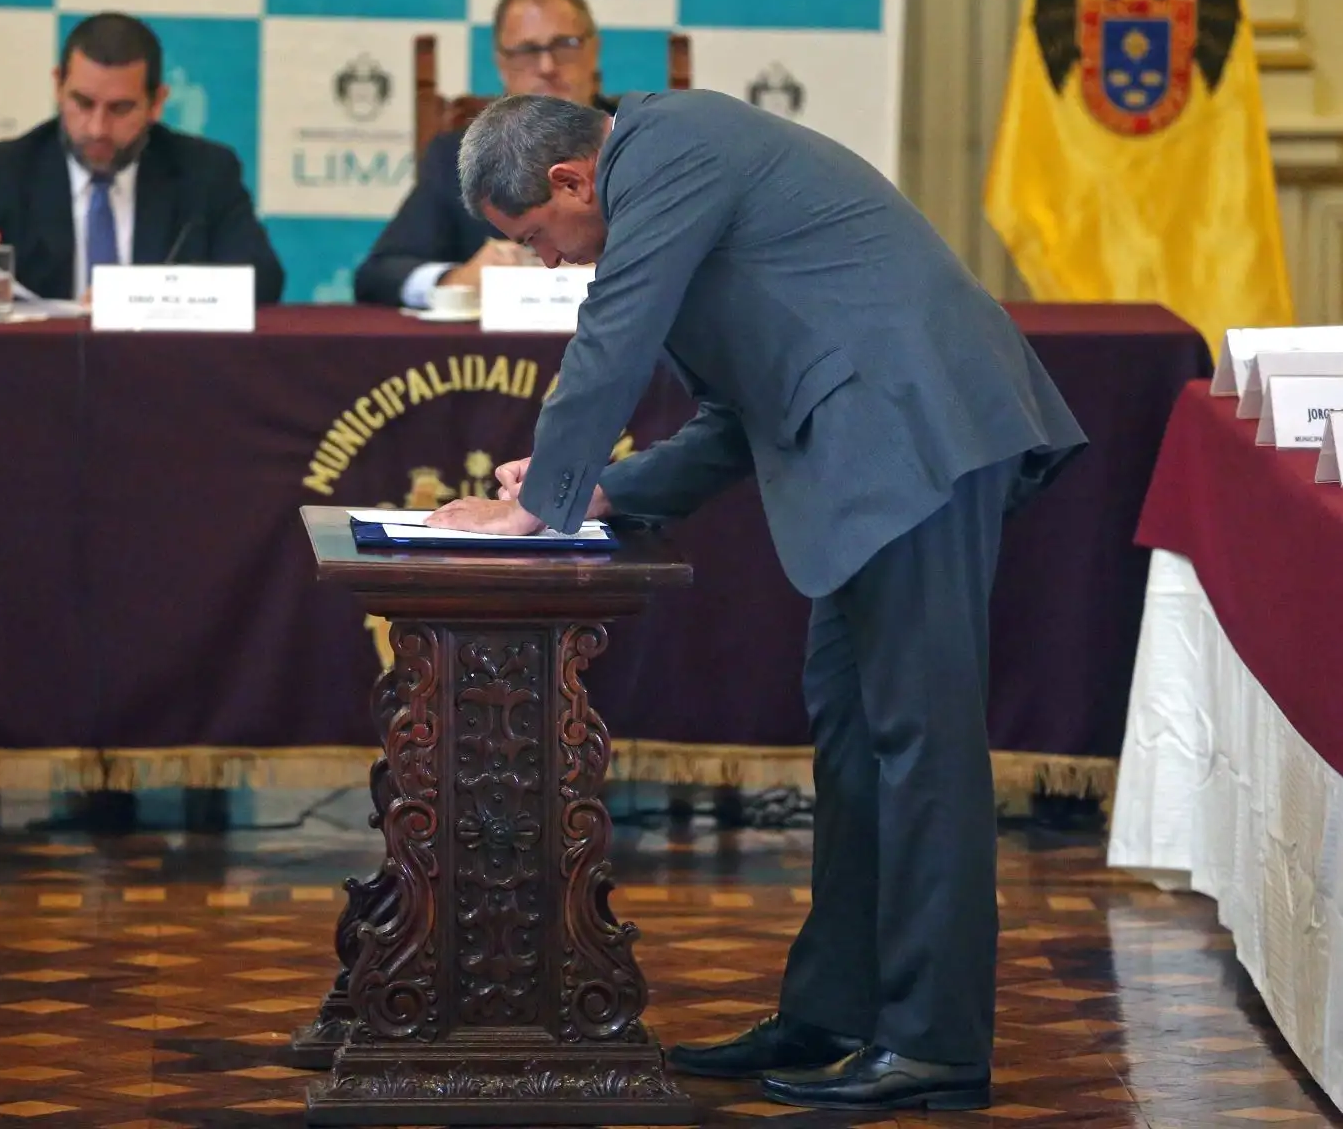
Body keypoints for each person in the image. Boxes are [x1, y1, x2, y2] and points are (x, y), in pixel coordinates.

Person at [426, 90, 1087, 1112]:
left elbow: (613, 339)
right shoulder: (671, 181)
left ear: (569, 180)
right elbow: (736, 418)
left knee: (919, 747)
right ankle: (839, 1012)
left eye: (535, 240)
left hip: (919, 432)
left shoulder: (668, 148)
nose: (548, 264)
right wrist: (600, 491)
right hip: (874, 453)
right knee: (853, 740)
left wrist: (543, 511)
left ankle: (937, 1044)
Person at [0, 13, 284, 309]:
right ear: (58, 86)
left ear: (157, 103)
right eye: (82, 102)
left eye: (120, 108)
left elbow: (262, 279)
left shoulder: (205, 172)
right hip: (31, 381)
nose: (97, 128)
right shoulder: (3, 171)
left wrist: (134, 296)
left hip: (165, 381)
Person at [352, 0, 613, 309]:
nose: (547, 66)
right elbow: (378, 275)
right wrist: (456, 281)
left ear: (594, 49)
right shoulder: (458, 156)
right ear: (502, 63)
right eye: (527, 51)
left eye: (565, 45)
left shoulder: (638, 141)